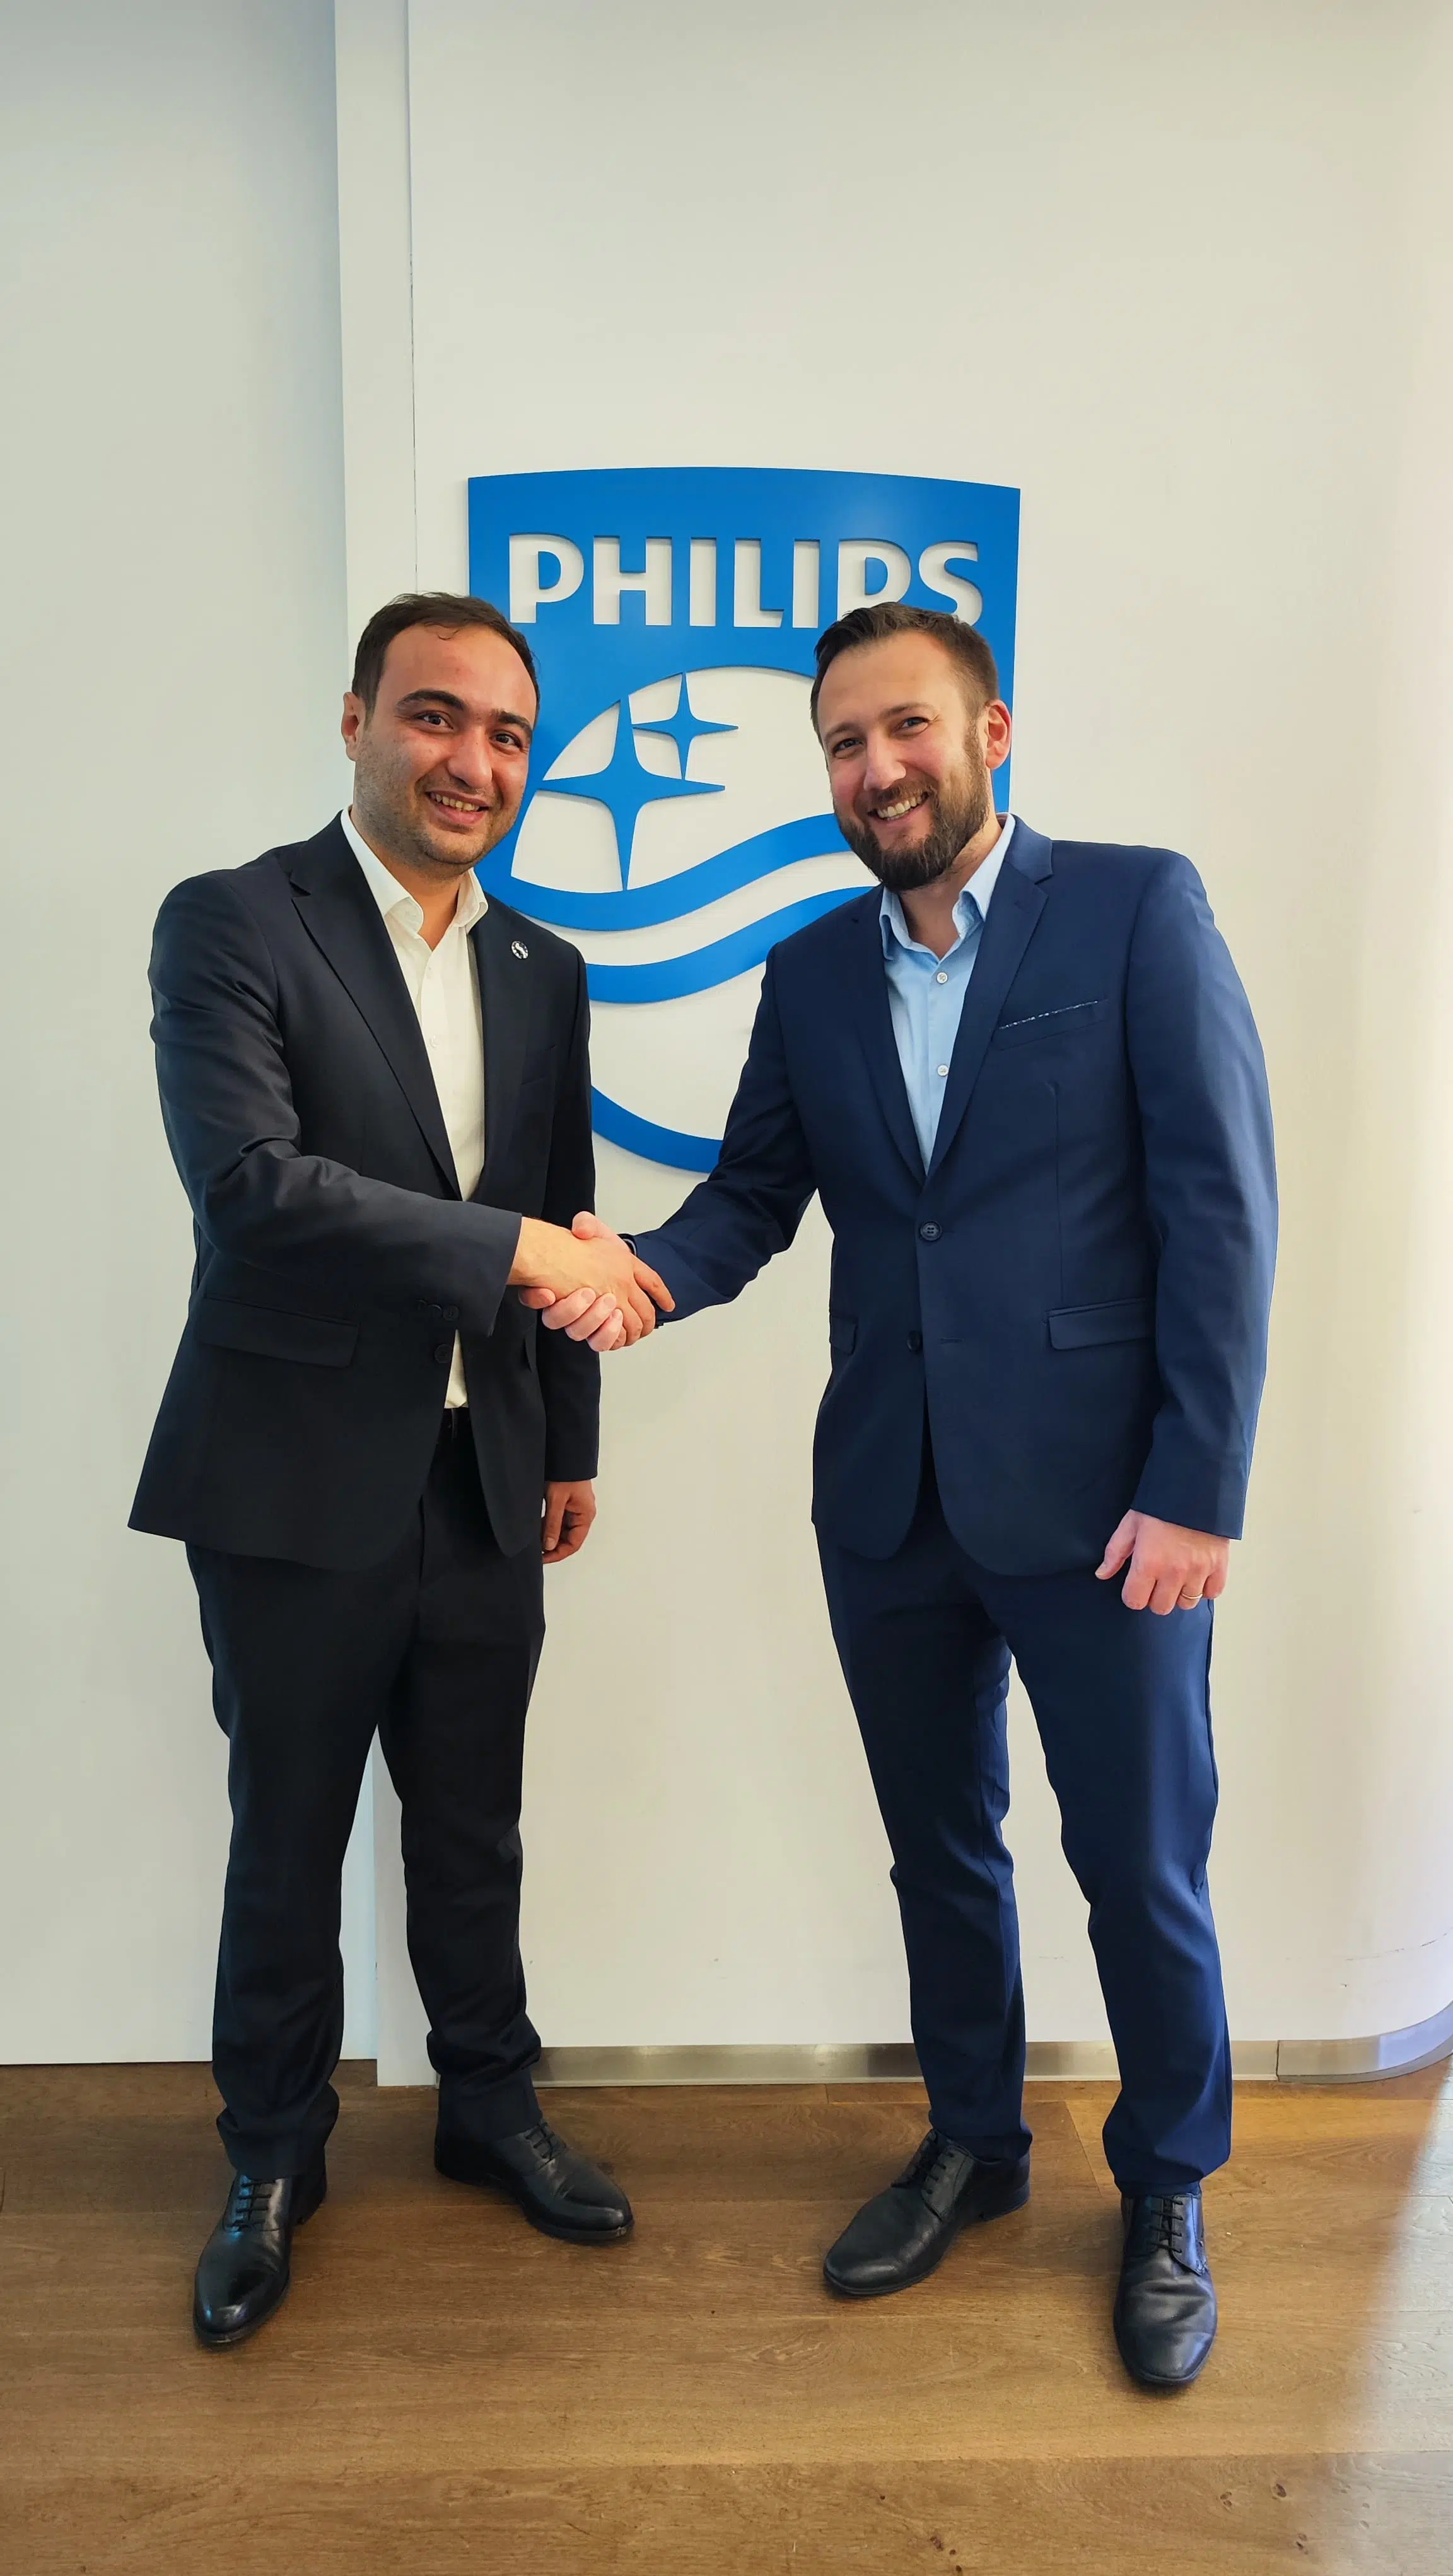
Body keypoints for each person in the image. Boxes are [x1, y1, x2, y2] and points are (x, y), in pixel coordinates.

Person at [530, 600, 1276, 2390]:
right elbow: (753, 1198)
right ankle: (975, 2142)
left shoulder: (1135, 909)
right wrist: (634, 1277)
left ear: (990, 732)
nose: (877, 769)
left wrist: (1197, 1488)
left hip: (1110, 1513)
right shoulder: (808, 971)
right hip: (890, 1498)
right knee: (940, 1849)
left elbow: (1221, 1209)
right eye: (845, 746)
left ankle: (1166, 2189)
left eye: (907, 729)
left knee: (1139, 1864)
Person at [132, 592, 670, 2348]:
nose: (473, 762)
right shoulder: (233, 920)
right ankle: (271, 2158)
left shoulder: (542, 969)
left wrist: (569, 1439)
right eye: (437, 716)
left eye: (508, 735)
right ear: (357, 718)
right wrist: (515, 1252)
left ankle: (489, 2108)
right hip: (292, 1476)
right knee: (286, 1835)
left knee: (473, 1823)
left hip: (486, 1473)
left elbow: (565, 1203)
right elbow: (256, 1193)